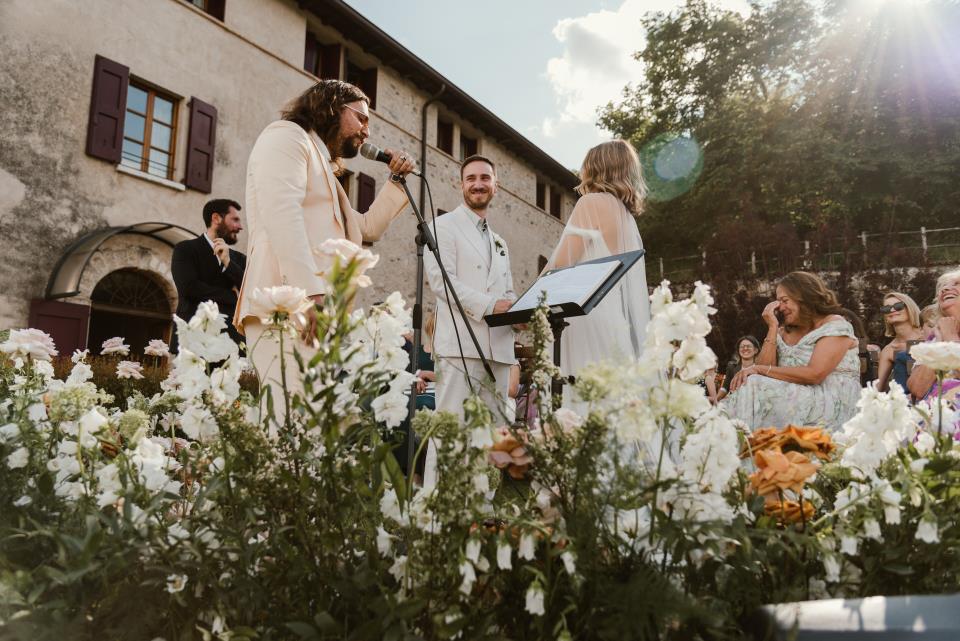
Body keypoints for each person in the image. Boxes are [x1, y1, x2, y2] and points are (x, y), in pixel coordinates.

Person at [233, 80, 416, 398]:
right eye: (361, 117)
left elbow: (366, 228)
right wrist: (310, 297)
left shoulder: (327, 175)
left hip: (319, 313)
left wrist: (397, 180)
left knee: (310, 431)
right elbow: (281, 215)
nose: (366, 131)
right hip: (286, 305)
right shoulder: (286, 135)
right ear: (331, 107)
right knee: (289, 421)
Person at [423, 155, 517, 484]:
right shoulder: (442, 226)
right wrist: (493, 306)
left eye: (485, 178)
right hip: (461, 345)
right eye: (471, 178)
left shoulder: (501, 242)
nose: (478, 184)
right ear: (460, 184)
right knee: (450, 431)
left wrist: (520, 314)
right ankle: (434, 510)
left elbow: (507, 291)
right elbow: (443, 283)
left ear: (496, 185)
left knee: (493, 434)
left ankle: (484, 512)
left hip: (500, 350)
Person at [542, 140, 649, 386]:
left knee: (578, 398)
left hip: (584, 318)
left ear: (596, 168)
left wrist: (528, 304)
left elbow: (560, 265)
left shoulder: (591, 204)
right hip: (614, 322)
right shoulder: (626, 217)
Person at [723, 271, 860, 431]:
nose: (779, 307)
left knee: (751, 385)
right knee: (742, 391)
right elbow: (760, 373)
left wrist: (758, 369)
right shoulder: (782, 333)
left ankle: (741, 447)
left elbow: (815, 374)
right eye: (778, 301)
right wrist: (773, 327)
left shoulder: (834, 325)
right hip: (794, 400)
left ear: (804, 297)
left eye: (784, 300)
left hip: (831, 402)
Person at [171, 198, 247, 349]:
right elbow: (189, 288)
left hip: (230, 342)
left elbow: (247, 290)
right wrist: (232, 296)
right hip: (193, 338)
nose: (240, 227)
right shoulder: (185, 249)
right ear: (216, 218)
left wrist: (228, 263)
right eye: (235, 220)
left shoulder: (239, 259)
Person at [908, 269, 960, 404]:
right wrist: (939, 344)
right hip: (936, 417)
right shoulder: (935, 338)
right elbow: (917, 388)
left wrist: (951, 339)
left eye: (957, 284)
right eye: (943, 287)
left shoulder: (947, 334)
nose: (945, 289)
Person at [875, 292, 924, 394]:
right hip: (906, 401)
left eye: (898, 306)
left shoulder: (926, 334)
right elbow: (879, 387)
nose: (892, 310)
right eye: (886, 309)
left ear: (909, 308)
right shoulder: (889, 350)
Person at [716, 336, 760, 402]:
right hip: (735, 402)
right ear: (738, 350)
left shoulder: (760, 368)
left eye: (748, 346)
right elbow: (725, 387)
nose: (745, 348)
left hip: (755, 401)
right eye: (742, 346)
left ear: (756, 350)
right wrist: (716, 399)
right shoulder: (731, 367)